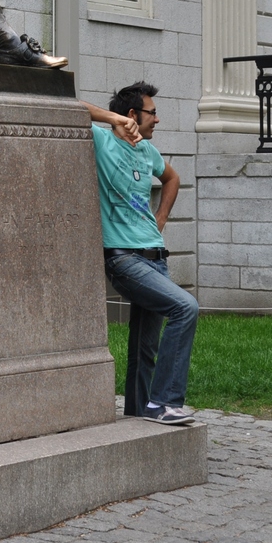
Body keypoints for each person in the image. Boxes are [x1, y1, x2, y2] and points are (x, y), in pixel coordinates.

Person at [83, 82, 198, 426]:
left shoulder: (147, 151)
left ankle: (137, 414)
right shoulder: (103, 142)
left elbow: (172, 178)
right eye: (152, 112)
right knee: (185, 307)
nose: (157, 120)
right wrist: (112, 118)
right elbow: (68, 107)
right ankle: (163, 403)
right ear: (132, 115)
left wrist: (159, 220)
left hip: (155, 257)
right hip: (124, 259)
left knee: (144, 349)